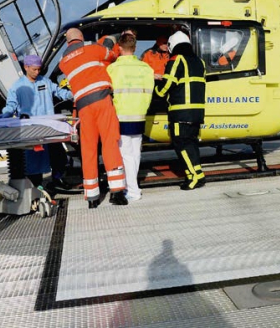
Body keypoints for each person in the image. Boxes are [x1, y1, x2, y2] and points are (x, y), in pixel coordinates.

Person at [59, 28, 128, 208]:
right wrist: (109, 40)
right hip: (102, 100)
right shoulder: (92, 48)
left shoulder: (63, 62)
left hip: (83, 107)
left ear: (67, 43)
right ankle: (117, 192)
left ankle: (92, 197)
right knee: (109, 142)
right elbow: (111, 56)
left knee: (88, 149)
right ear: (82, 38)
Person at [0, 54, 74, 190]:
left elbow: (59, 92)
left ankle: (58, 180)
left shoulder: (45, 82)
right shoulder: (18, 87)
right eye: (34, 69)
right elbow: (11, 105)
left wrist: (72, 94)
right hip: (32, 131)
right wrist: (5, 115)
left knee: (58, 156)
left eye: (39, 69)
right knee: (34, 161)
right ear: (26, 67)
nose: (37, 72)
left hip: (50, 128)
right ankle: (37, 186)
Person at [155, 31, 207, 190]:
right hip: (197, 112)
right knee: (191, 144)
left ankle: (193, 177)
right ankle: (198, 174)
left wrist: (157, 90)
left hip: (180, 112)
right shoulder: (199, 62)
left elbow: (166, 86)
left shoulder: (177, 60)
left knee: (181, 144)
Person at [107, 34, 154, 202]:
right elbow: (149, 93)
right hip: (140, 114)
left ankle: (132, 189)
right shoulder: (146, 69)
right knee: (135, 154)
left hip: (121, 116)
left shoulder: (112, 69)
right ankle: (132, 187)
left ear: (119, 47)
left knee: (125, 154)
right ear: (135, 48)